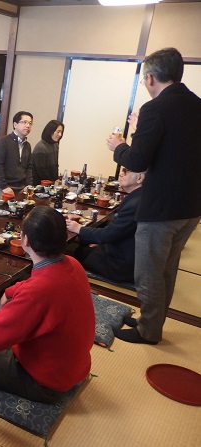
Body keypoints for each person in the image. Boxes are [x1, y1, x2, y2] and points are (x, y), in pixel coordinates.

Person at [107, 47, 201, 344]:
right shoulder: (197, 104)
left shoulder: (155, 108)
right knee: (167, 269)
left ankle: (148, 331)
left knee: (148, 272)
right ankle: (152, 321)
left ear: (150, 78)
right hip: (191, 207)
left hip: (161, 208)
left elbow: (137, 160)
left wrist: (119, 146)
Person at [0, 206, 95, 403]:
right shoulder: (72, 263)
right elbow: (35, 284)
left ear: (26, 241)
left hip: (45, 381)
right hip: (72, 366)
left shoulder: (39, 291)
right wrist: (9, 291)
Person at [67, 168, 145, 284]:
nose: (121, 174)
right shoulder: (140, 196)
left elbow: (109, 234)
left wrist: (79, 228)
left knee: (75, 252)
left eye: (125, 171)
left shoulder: (135, 203)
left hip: (121, 265)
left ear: (139, 178)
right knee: (84, 242)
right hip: (127, 251)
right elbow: (117, 231)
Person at [0, 111, 33, 199]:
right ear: (15, 125)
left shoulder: (27, 145)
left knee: (30, 204)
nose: (28, 125)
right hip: (2, 186)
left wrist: (28, 185)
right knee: (9, 206)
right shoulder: (3, 142)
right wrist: (4, 187)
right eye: (24, 122)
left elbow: (29, 167)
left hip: (20, 186)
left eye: (30, 123)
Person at [32, 120, 64, 187]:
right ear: (50, 131)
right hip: (39, 184)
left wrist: (56, 180)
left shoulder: (55, 144)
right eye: (58, 132)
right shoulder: (41, 147)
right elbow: (41, 170)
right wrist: (51, 183)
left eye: (61, 132)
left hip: (51, 183)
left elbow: (55, 165)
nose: (60, 135)